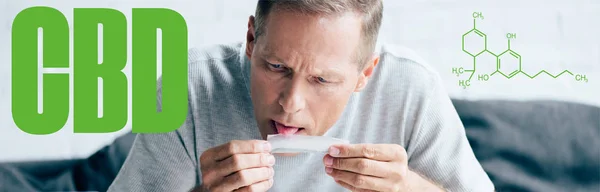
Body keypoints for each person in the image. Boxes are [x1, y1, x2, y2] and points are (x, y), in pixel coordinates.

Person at [108, 0, 495, 191]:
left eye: (322, 80)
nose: (290, 104)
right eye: (276, 67)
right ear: (250, 40)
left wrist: (408, 187)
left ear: (365, 74)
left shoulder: (411, 90)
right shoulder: (190, 86)